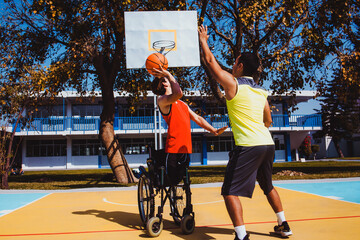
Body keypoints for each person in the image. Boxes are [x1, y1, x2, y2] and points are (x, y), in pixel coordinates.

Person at [198, 25, 292, 240]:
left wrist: (203, 40)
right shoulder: (261, 92)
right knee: (267, 185)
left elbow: (212, 64)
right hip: (267, 144)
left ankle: (241, 236)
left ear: (239, 66)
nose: (231, 66)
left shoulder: (233, 85)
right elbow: (268, 120)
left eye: (234, 62)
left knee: (229, 191)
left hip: (249, 146)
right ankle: (284, 224)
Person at [151, 66, 227, 184]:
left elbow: (197, 118)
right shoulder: (162, 100)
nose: (171, 80)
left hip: (185, 147)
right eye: (167, 80)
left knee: (181, 178)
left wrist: (213, 130)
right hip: (173, 147)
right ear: (164, 85)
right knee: (170, 180)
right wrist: (168, 74)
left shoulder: (182, 104)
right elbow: (178, 93)